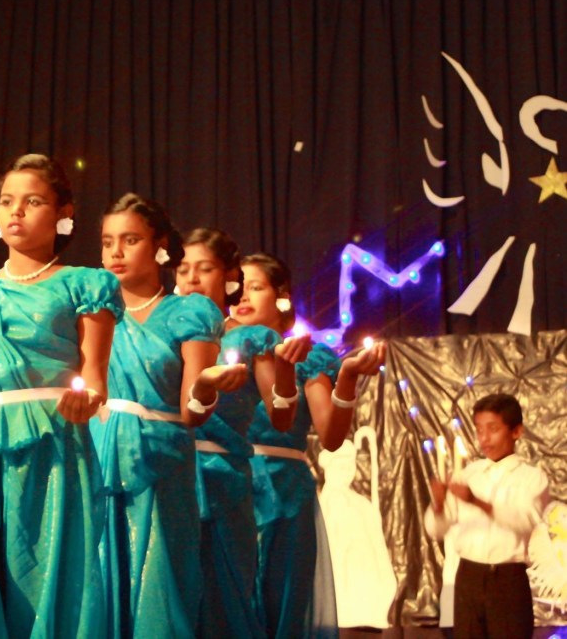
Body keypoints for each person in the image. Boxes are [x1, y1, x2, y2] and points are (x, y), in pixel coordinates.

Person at [0, 154, 120, 638]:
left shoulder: (85, 284)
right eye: (6, 201)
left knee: (47, 588)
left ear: (63, 213)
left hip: (51, 451)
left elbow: (95, 379)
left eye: (32, 201)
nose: (15, 211)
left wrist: (87, 400)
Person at [91, 197, 239, 638]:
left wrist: (208, 386)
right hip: (99, 457)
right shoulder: (91, 310)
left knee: (162, 588)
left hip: (163, 462)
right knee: (98, 579)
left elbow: (193, 412)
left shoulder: (190, 312)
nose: (115, 252)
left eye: (130, 240)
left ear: (159, 247)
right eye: (107, 242)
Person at [234, 253, 385, 638]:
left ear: (281, 297)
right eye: (238, 287)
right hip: (229, 485)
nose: (243, 297)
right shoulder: (220, 354)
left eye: (256, 287)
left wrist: (347, 377)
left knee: (283, 604)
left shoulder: (306, 357)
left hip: (285, 490)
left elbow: (331, 437)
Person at [176, 229, 310, 637]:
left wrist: (286, 369)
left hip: (223, 476)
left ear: (226, 276)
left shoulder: (253, 337)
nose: (192, 279)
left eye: (204, 269)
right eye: (183, 270)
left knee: (225, 595)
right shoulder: (167, 328)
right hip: (172, 471)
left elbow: (281, 416)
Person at [424, 393, 549, 639]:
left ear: (516, 431)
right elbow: (436, 529)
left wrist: (476, 501)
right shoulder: (469, 474)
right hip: (468, 576)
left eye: (492, 429)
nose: (484, 438)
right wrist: (438, 505)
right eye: (479, 430)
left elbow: (523, 518)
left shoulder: (532, 478)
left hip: (507, 581)